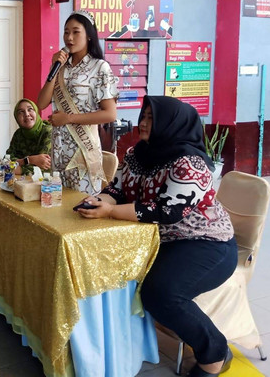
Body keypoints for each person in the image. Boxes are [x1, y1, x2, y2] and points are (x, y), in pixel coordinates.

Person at [76, 96, 236, 377]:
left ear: (171, 123)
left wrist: (111, 212)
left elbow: (169, 210)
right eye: (144, 116)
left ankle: (215, 353)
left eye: (152, 118)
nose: (144, 123)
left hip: (205, 243)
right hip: (159, 239)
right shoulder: (138, 153)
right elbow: (117, 190)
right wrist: (97, 200)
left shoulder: (190, 162)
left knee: (161, 293)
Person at [37, 9, 119, 194]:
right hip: (59, 150)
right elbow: (41, 103)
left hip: (83, 151)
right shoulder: (61, 66)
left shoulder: (100, 67)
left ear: (89, 35)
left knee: (81, 208)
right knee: (58, 208)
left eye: (76, 32)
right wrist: (53, 68)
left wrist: (69, 118)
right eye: (66, 32)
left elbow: (110, 114)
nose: (69, 37)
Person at [0, 98, 52, 176]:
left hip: (45, 183)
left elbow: (40, 167)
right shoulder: (18, 134)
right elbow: (7, 160)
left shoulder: (48, 132)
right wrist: (29, 160)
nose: (27, 114)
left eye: (30, 109)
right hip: (18, 179)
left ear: (36, 112)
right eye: (21, 112)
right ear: (16, 118)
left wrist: (1, 168)